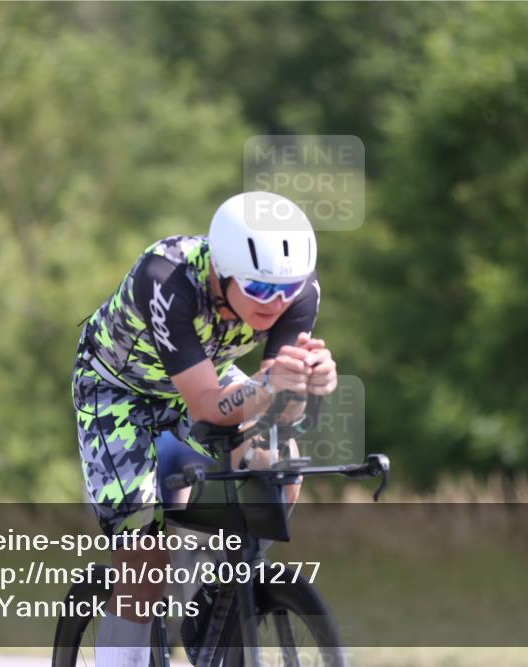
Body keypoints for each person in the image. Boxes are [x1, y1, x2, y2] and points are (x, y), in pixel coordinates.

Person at [71, 191, 338, 666]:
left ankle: (215, 597)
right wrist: (274, 385)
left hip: (204, 379)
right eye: (258, 290)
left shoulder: (298, 293)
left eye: (287, 289)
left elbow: (277, 407)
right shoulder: (167, 278)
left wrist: (308, 383)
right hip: (118, 391)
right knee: (143, 560)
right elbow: (208, 408)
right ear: (221, 271)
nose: (275, 303)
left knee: (280, 463)